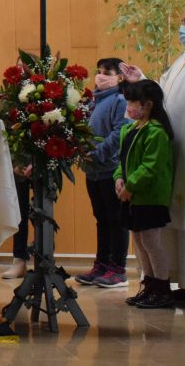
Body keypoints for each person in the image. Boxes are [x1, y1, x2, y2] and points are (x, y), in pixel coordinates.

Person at [120, 2, 185, 305]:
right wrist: (144, 80)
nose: (181, 27)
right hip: (175, 154)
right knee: (166, 226)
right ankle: (164, 282)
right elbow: (165, 96)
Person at [115, 79, 176, 309]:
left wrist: (131, 186)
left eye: (132, 102)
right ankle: (149, 286)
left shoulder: (156, 132)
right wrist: (119, 179)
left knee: (152, 242)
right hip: (133, 197)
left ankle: (162, 288)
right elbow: (123, 160)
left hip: (149, 197)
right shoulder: (130, 129)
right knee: (140, 243)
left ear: (148, 104)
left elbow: (151, 166)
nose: (128, 106)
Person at [76, 58, 130, 288]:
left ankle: (117, 268)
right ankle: (102, 264)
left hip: (109, 168)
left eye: (106, 72)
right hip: (92, 170)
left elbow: (120, 132)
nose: (100, 76)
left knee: (116, 219)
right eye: (98, 71)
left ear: (119, 77)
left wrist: (98, 152)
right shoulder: (92, 101)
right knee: (101, 219)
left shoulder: (120, 100)